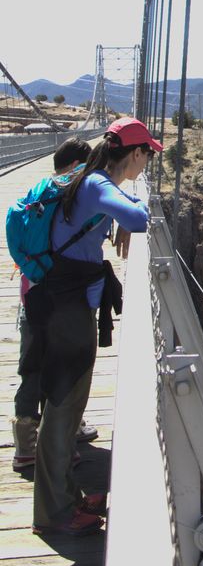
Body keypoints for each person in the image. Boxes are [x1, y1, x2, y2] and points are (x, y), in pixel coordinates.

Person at [27, 117, 162, 536]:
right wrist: (125, 214)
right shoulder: (100, 185)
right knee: (64, 408)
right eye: (148, 156)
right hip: (68, 311)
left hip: (61, 302)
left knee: (65, 406)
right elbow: (142, 219)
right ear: (135, 154)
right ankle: (54, 513)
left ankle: (65, 496)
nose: (148, 165)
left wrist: (115, 216)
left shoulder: (90, 181)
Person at [11, 138, 99, 472]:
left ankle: (25, 445)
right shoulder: (76, 198)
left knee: (30, 366)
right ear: (78, 164)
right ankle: (61, 441)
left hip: (32, 294)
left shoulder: (31, 195)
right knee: (65, 367)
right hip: (66, 298)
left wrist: (34, 272)